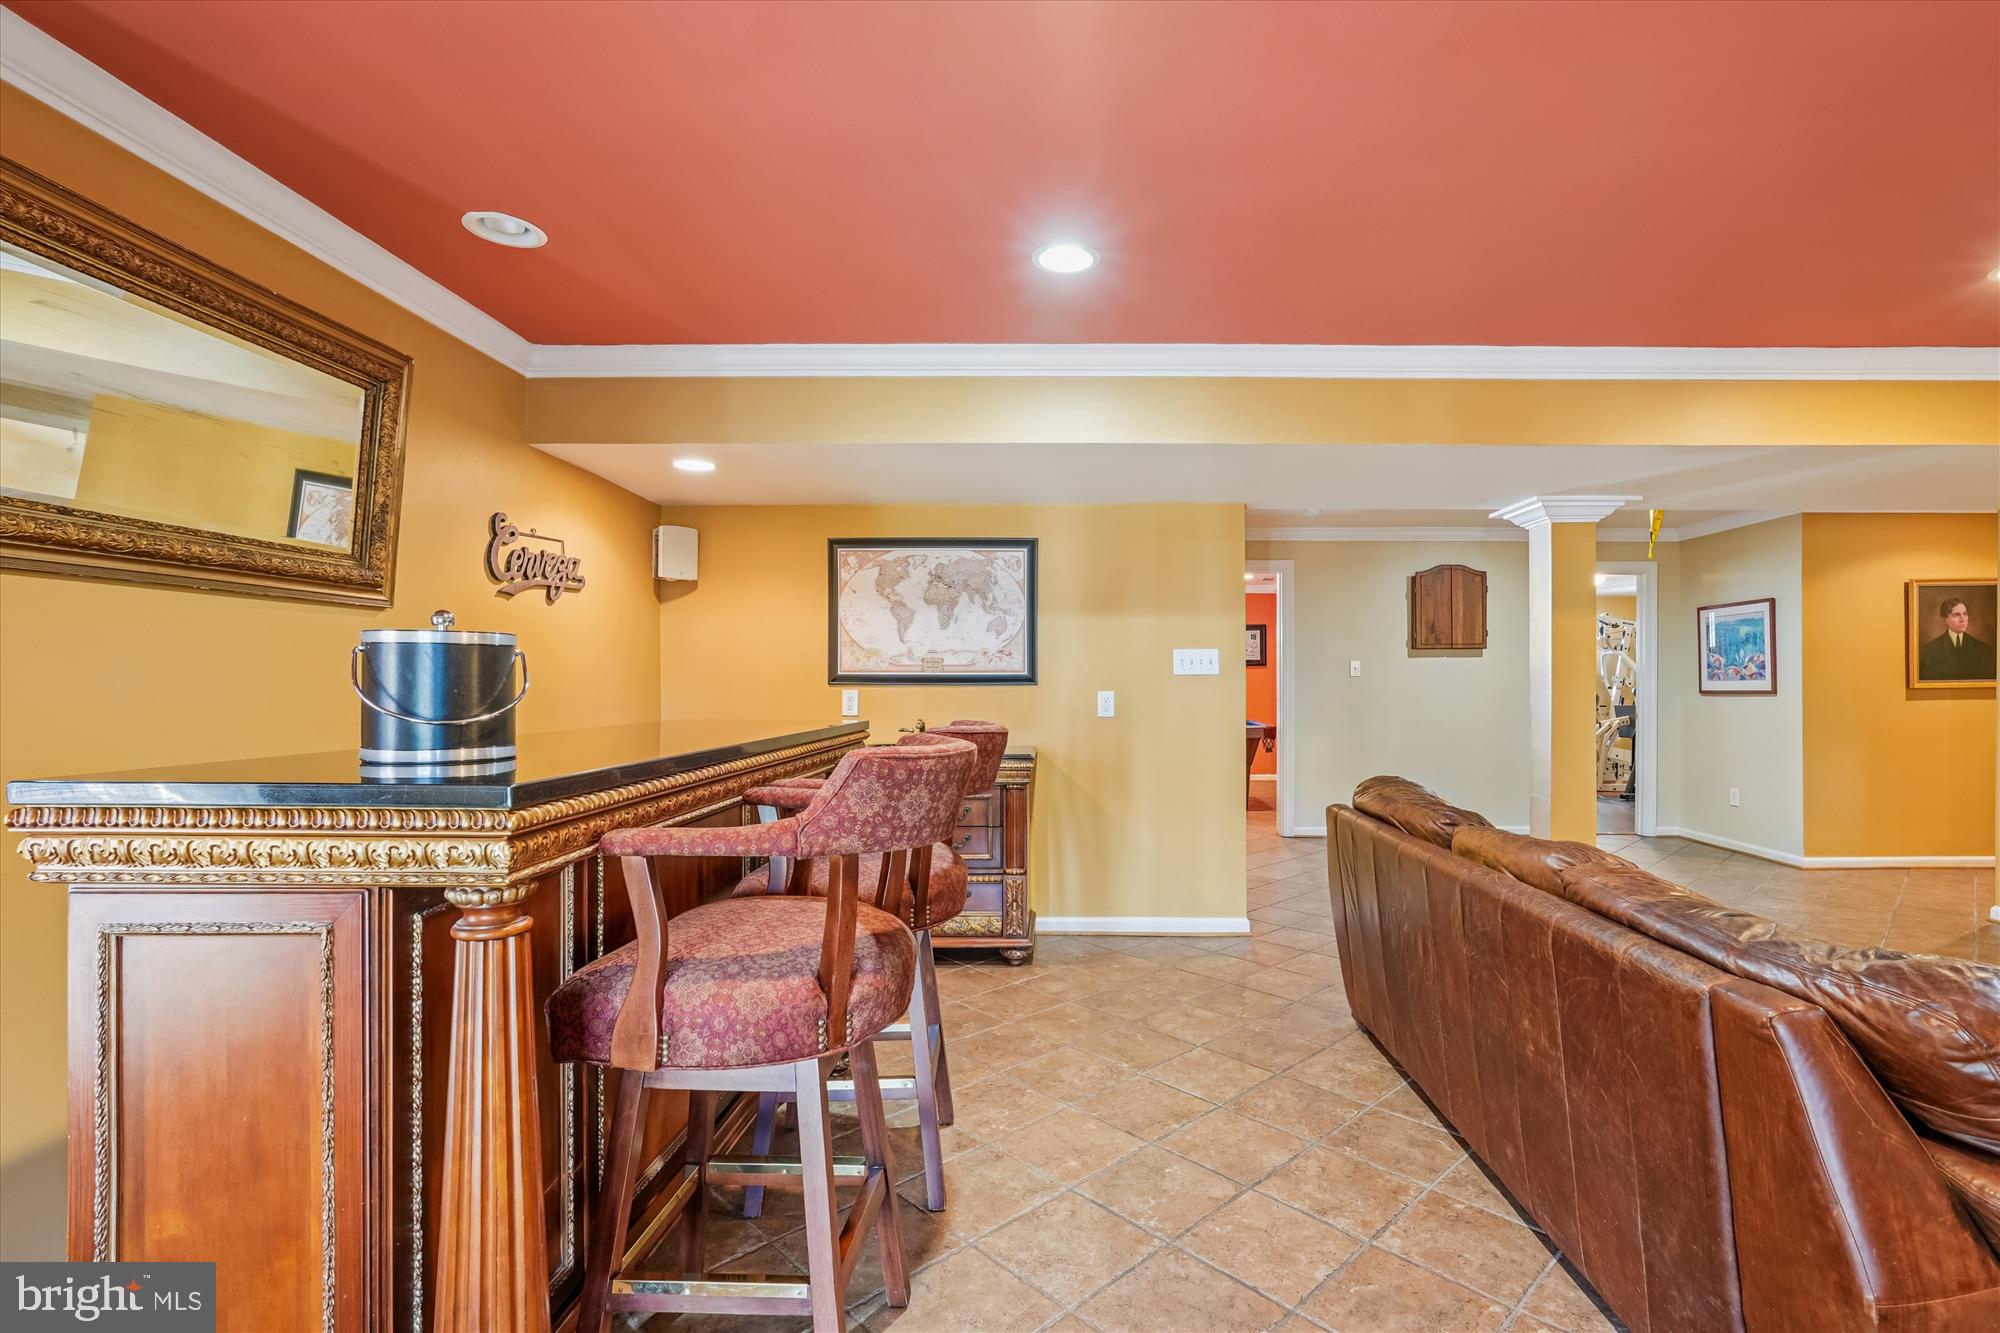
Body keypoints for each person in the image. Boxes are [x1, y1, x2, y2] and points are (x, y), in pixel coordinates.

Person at [1918, 597, 1996, 681]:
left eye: (1965, 614)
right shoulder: (1931, 649)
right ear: (1945, 620)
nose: (1963, 619)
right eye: (1956, 615)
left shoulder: (1982, 649)